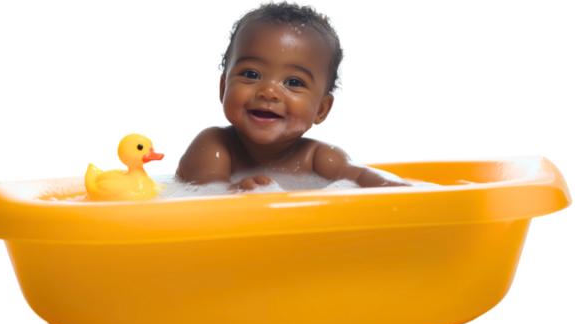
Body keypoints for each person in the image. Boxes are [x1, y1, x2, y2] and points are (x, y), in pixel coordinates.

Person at [175, 0, 413, 192]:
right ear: (223, 89)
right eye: (251, 74)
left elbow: (364, 177)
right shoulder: (214, 146)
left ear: (322, 109)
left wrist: (405, 190)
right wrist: (234, 193)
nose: (268, 91)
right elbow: (204, 204)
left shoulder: (319, 157)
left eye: (294, 82)